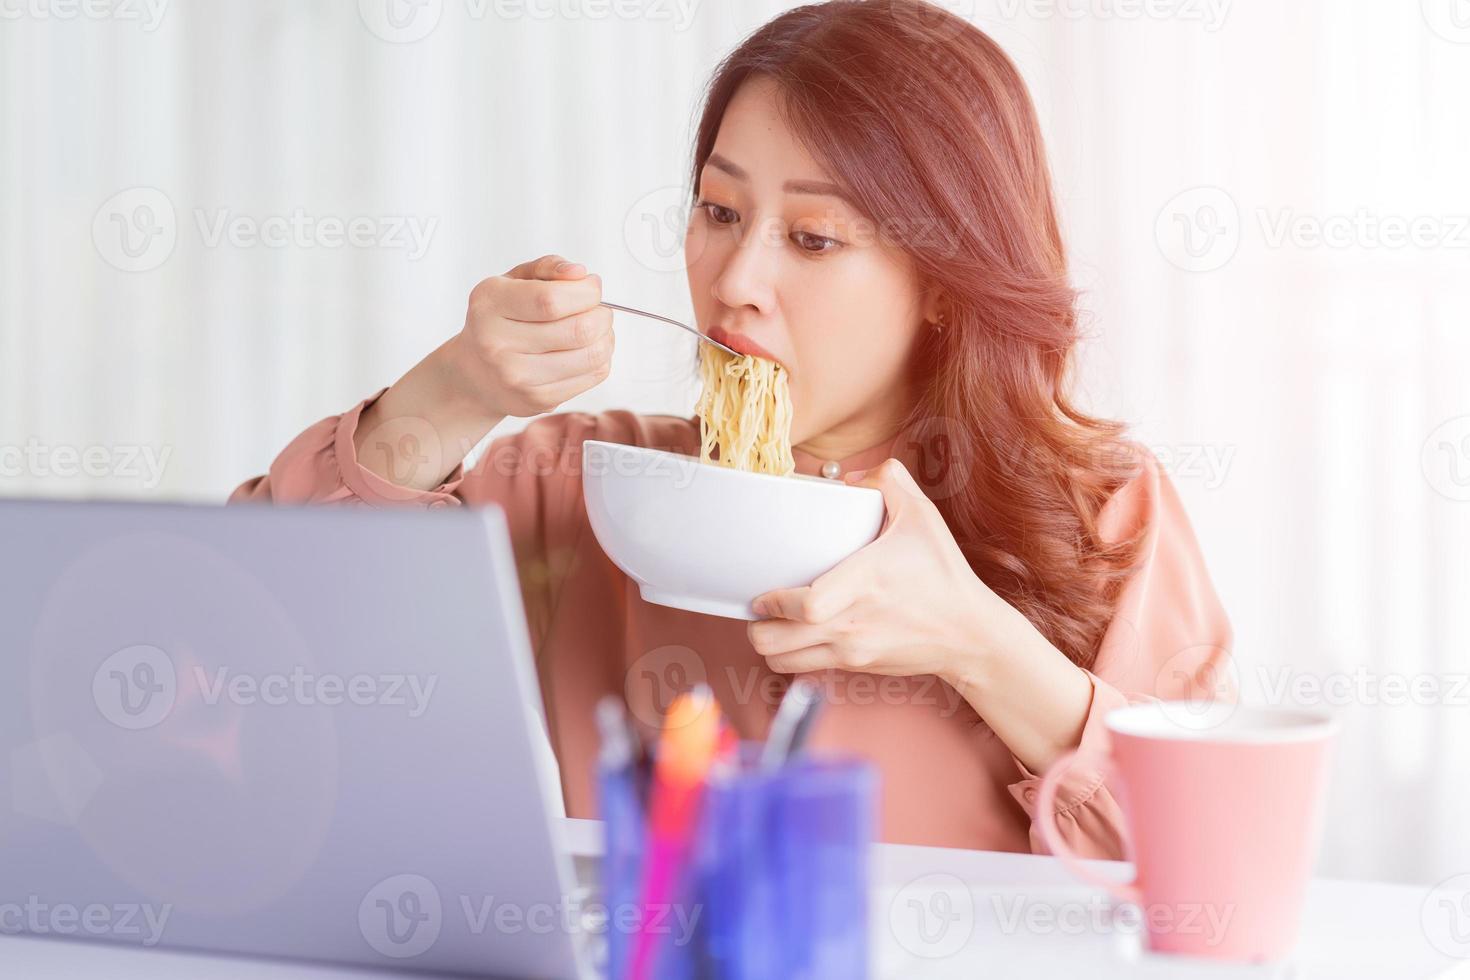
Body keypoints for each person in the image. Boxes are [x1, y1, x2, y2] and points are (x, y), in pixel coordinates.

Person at [232, 0, 1233, 857]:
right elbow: (261, 657)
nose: (736, 282)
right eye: (717, 211)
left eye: (811, 236)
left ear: (942, 283)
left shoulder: (1101, 510)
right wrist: (451, 392)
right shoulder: (585, 484)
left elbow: (1214, 870)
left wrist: (980, 644)